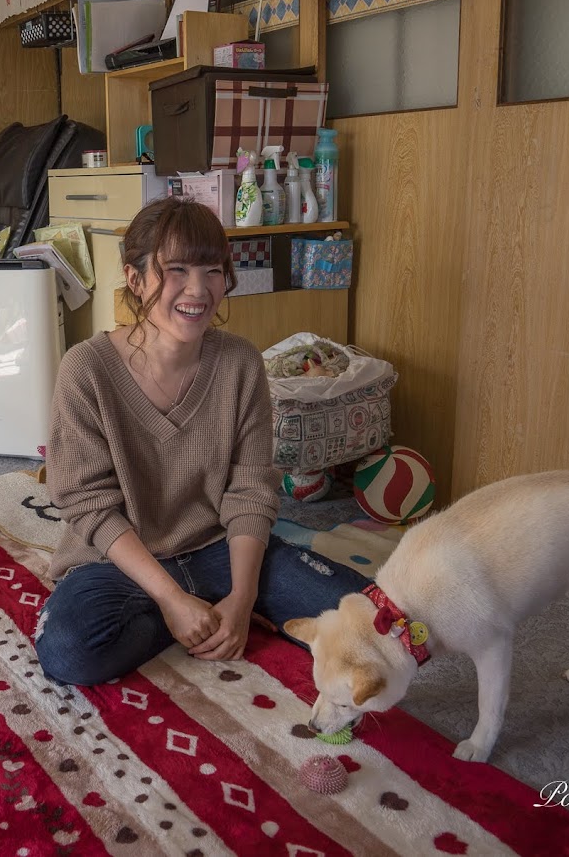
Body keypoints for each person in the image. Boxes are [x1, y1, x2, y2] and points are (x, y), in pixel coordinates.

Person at [35, 197, 368, 685]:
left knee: (368, 616)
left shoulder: (240, 362)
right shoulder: (85, 369)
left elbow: (252, 487)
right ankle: (182, 616)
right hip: (120, 560)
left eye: (213, 270)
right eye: (177, 270)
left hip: (217, 547)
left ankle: (210, 608)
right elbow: (88, 504)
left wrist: (243, 595)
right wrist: (171, 600)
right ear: (136, 279)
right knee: (67, 654)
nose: (198, 289)